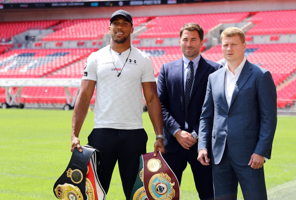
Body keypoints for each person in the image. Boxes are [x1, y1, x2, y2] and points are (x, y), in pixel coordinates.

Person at [70, 9, 165, 200]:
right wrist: (75, 134)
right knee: (94, 193)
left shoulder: (143, 59)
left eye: (124, 23)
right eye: (115, 23)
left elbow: (152, 98)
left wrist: (159, 135)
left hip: (134, 134)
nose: (119, 27)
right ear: (109, 28)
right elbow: (84, 96)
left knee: (136, 194)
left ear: (131, 28)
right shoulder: (95, 58)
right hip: (102, 134)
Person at [197, 27, 277, 200]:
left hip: (250, 155)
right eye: (225, 45)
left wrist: (261, 151)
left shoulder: (260, 75)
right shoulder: (214, 77)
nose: (229, 49)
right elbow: (206, 116)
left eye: (234, 44)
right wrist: (202, 146)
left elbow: (268, 118)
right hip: (219, 155)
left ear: (244, 46)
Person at [157, 23, 221, 200]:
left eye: (193, 39)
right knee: (165, 196)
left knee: (209, 194)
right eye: (185, 39)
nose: (189, 43)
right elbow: (160, 105)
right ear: (180, 41)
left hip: (203, 147)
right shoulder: (166, 69)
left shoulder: (215, 70)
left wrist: (195, 133)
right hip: (172, 145)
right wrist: (177, 132)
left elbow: (217, 108)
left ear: (201, 41)